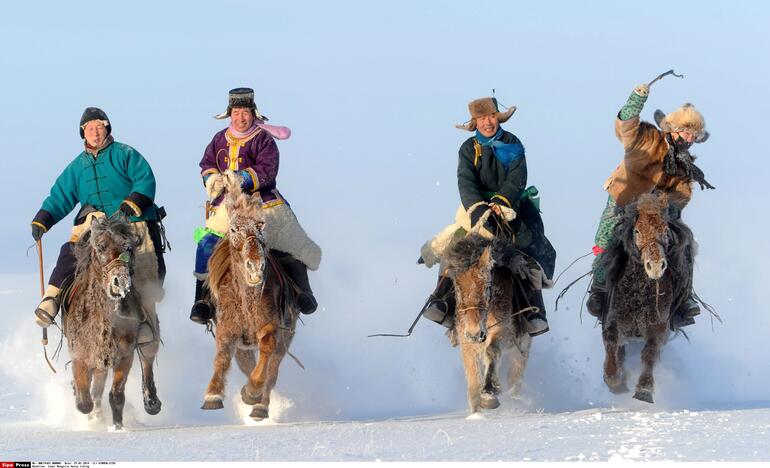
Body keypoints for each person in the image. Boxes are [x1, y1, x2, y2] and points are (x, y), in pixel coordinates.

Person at [420, 97, 557, 337]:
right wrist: (478, 207)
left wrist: (501, 202)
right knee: (455, 247)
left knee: (529, 248)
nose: (488, 122)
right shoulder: (467, 149)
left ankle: (533, 309)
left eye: (491, 116)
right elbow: (465, 181)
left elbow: (517, 178)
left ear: (498, 117)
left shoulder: (513, 143)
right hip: (475, 209)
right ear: (476, 122)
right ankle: (442, 301)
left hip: (510, 206)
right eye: (482, 118)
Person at [31, 107, 166, 348]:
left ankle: (144, 323)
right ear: (83, 133)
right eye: (89, 128)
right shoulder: (76, 167)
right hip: (94, 226)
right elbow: (60, 195)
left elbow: (145, 180)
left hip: (130, 224)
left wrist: (130, 205)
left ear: (107, 128)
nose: (94, 132)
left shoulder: (125, 154)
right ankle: (51, 298)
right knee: (70, 250)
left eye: (99, 126)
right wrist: (43, 218)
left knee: (143, 268)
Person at [190, 88, 322, 324]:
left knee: (294, 241)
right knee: (207, 243)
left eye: (245, 113)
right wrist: (212, 179)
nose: (241, 118)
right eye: (237, 113)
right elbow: (207, 164)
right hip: (228, 206)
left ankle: (303, 292)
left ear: (254, 114)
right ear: (230, 114)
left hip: (263, 203)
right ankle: (203, 299)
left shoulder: (263, 140)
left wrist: (241, 178)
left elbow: (268, 169)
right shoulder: (219, 139)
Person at [586, 82, 713, 327]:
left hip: (659, 214)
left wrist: (663, 208)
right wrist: (636, 99)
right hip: (624, 201)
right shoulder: (647, 137)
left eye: (693, 136)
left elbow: (681, 196)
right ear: (673, 128)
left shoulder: (686, 165)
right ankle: (599, 290)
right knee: (606, 238)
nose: (688, 138)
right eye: (686, 131)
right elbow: (626, 126)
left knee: (685, 244)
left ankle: (682, 299)